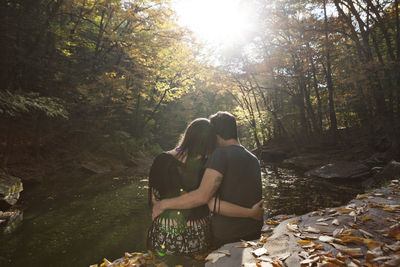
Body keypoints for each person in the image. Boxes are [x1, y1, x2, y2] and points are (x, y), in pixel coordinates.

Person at [147, 118, 263, 255]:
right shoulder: (208, 164)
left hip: (165, 232)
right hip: (198, 234)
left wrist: (163, 205)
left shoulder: (161, 160)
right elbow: (209, 201)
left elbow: (154, 200)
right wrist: (250, 213)